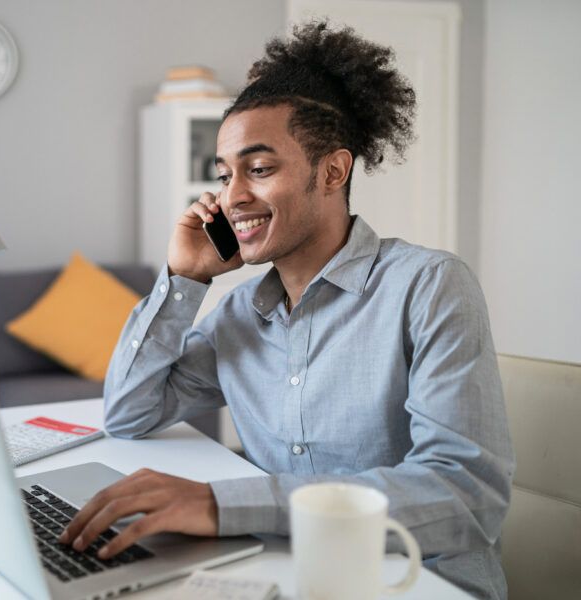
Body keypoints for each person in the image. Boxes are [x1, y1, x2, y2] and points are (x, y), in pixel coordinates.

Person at [59, 20, 514, 600]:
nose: (231, 197)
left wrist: (223, 504)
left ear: (332, 172)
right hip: (285, 571)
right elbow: (128, 412)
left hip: (416, 582)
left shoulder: (429, 286)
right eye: (224, 176)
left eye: (260, 168)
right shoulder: (241, 313)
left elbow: (466, 497)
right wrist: (185, 278)